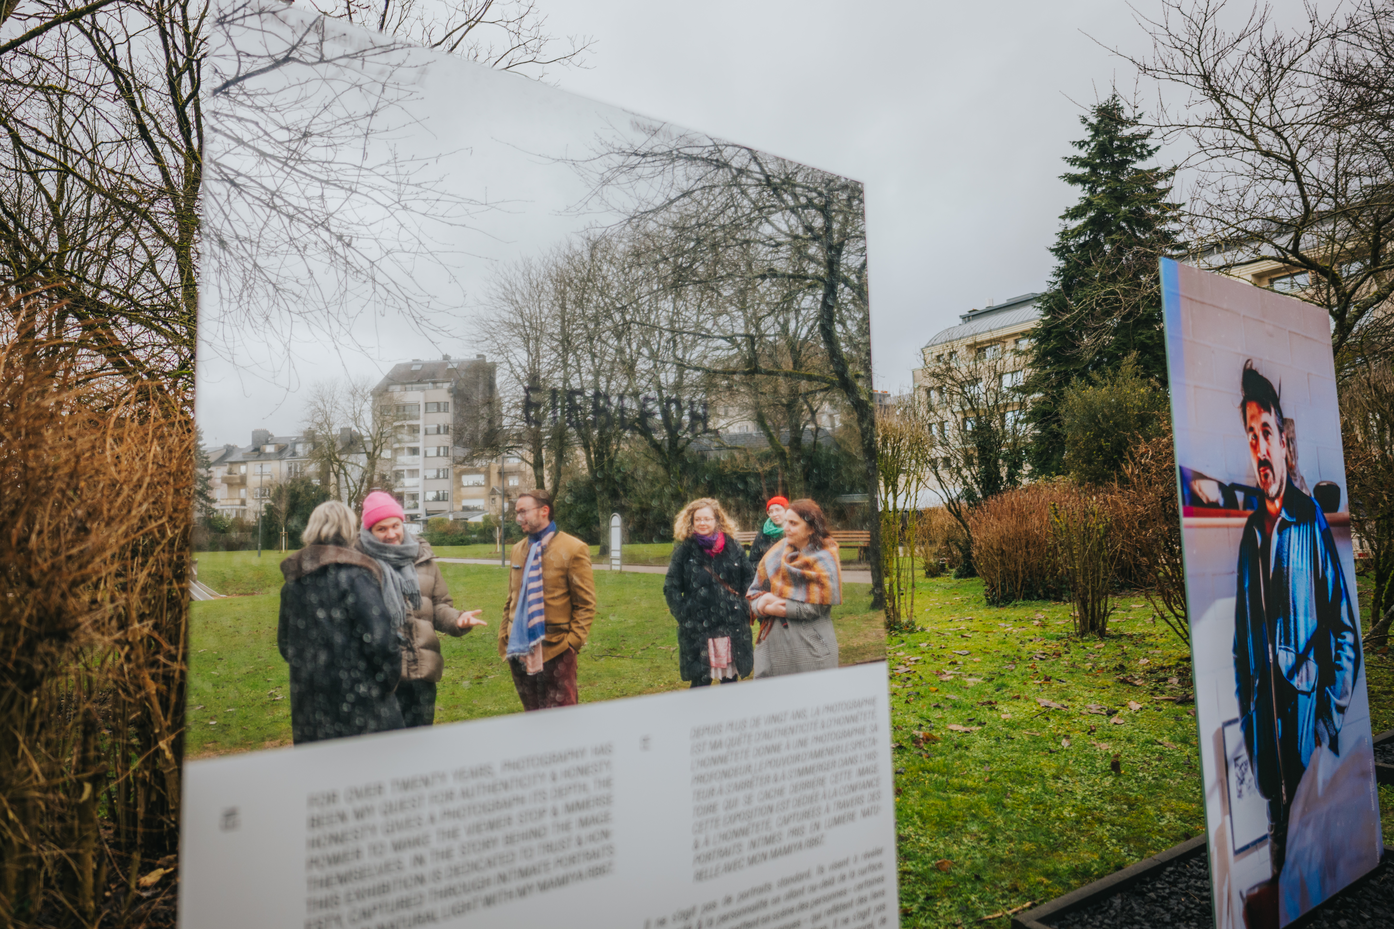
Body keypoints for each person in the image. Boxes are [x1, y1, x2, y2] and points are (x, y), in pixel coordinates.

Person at [1232, 361, 1360, 879]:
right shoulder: (1250, 536)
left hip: (1310, 720)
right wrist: (1247, 717)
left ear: (1283, 442)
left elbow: (1345, 631)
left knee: (1314, 856)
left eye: (1267, 432)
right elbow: (1242, 646)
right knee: (1280, 852)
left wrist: (1329, 717)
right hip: (1267, 729)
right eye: (1251, 435)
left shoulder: (1310, 521)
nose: (1260, 447)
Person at [277, 501, 404, 744]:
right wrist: (385, 686)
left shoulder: (293, 583)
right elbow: (382, 641)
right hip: (363, 705)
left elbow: (286, 645)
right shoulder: (357, 576)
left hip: (310, 705)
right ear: (349, 529)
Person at [357, 490, 485, 728]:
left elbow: (438, 605)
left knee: (421, 747)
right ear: (369, 531)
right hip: (380, 676)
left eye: (395, 525)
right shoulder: (358, 565)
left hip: (421, 672)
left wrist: (457, 620)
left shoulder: (422, 557)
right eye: (381, 529)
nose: (391, 534)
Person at [498, 489, 596, 710]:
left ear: (544, 510)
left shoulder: (573, 549)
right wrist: (504, 634)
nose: (518, 518)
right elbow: (512, 598)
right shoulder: (517, 550)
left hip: (557, 648)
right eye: (517, 512)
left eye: (523, 512)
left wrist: (572, 643)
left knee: (563, 718)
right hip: (518, 648)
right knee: (532, 716)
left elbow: (585, 603)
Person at [664, 498, 756, 687]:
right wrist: (684, 614)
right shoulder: (684, 552)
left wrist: (744, 608)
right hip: (698, 628)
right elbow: (671, 587)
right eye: (698, 519)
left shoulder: (733, 547)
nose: (702, 523)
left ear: (717, 520)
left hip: (730, 625)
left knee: (730, 681)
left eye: (707, 519)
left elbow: (749, 579)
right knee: (700, 683)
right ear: (691, 522)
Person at [747, 498, 842, 677]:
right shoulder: (775, 553)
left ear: (811, 528)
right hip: (772, 648)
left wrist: (774, 605)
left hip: (810, 648)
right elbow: (754, 593)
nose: (786, 528)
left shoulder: (825, 557)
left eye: (793, 523)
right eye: (786, 522)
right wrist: (761, 605)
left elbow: (816, 607)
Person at [747, 495, 788, 568]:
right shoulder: (762, 535)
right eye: (770, 512)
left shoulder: (794, 531)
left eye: (778, 510)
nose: (774, 514)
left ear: (786, 510)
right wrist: (767, 569)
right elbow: (752, 561)